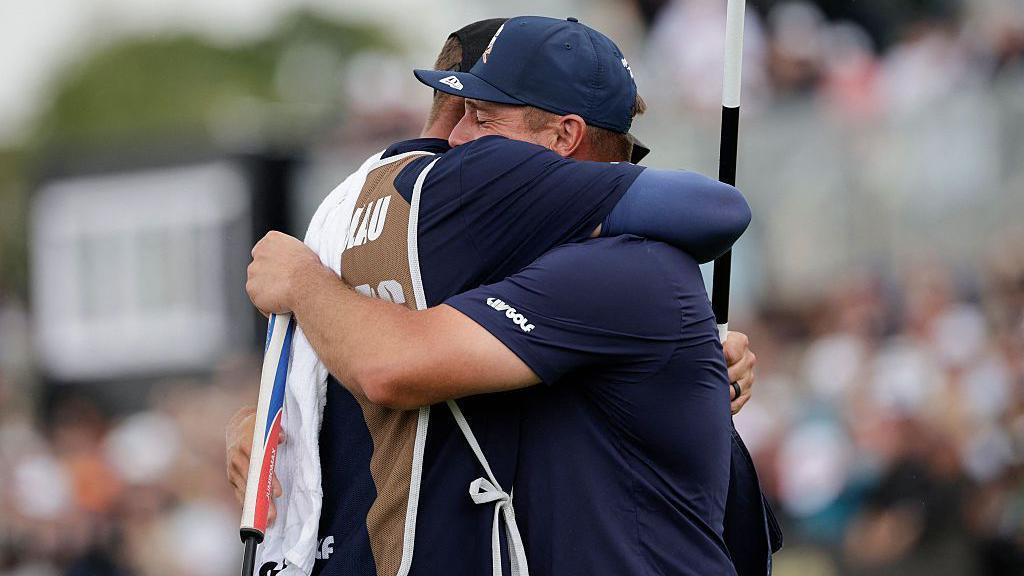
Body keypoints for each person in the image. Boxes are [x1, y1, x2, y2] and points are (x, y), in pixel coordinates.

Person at [232, 16, 764, 576]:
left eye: (483, 119)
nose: (455, 140)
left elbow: (392, 365)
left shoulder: (627, 270)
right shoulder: (522, 264)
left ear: (564, 136)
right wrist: (268, 428)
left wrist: (302, 280)